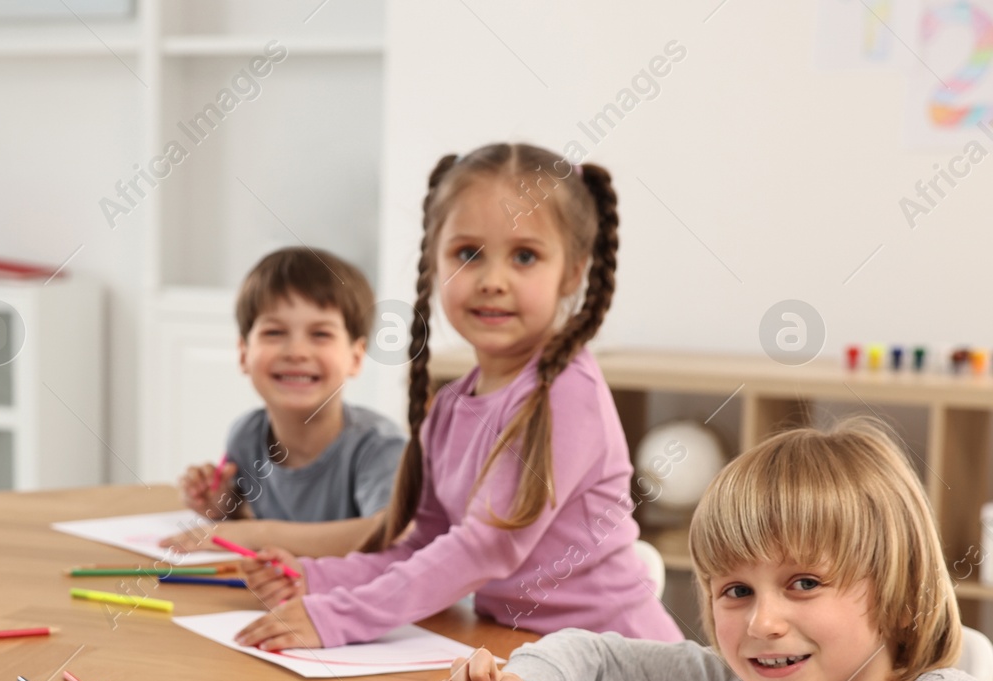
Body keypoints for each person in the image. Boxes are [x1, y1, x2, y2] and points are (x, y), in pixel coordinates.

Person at [442, 420, 993, 681]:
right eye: (736, 590)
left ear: (904, 598)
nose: (762, 623)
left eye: (804, 583)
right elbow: (600, 658)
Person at [235, 144, 681, 650]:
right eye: (467, 254)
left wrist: (336, 617)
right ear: (435, 259)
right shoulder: (451, 405)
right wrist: (317, 579)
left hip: (622, 666)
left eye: (525, 256)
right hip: (523, 654)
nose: (493, 281)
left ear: (573, 272)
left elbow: (483, 549)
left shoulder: (565, 393)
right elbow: (424, 546)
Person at [164, 246, 405, 559]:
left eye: (320, 334)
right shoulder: (246, 434)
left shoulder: (379, 446)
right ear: (243, 354)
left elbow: (387, 533)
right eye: (275, 332)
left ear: (355, 358)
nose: (296, 352)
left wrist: (255, 534)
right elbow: (251, 522)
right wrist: (223, 506)